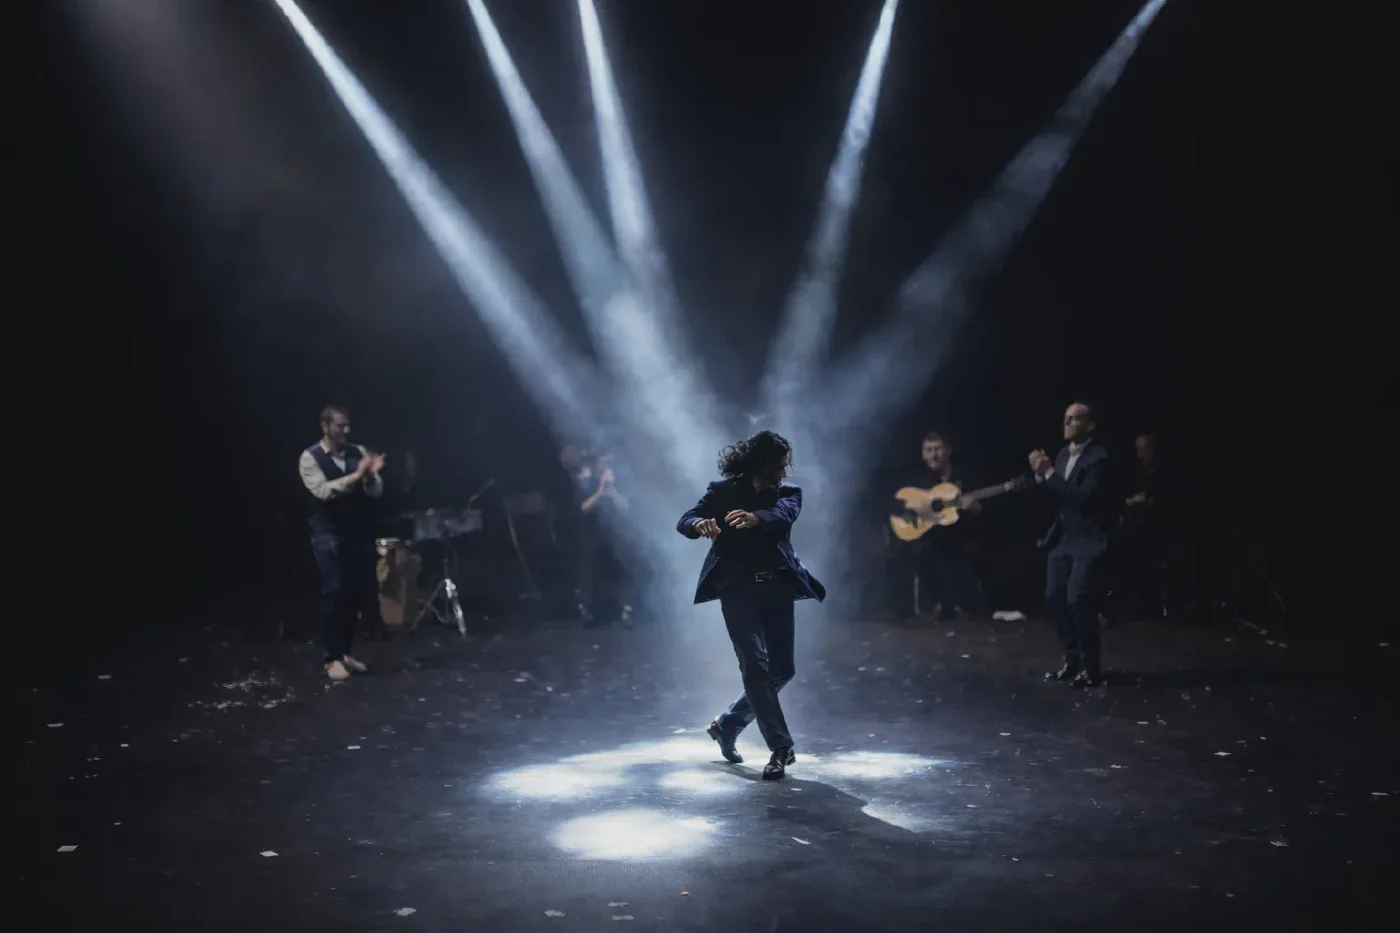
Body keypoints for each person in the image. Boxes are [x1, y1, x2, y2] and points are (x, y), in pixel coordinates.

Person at [677, 430, 825, 780]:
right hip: (737, 590)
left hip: (775, 589)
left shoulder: (787, 494)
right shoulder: (724, 491)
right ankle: (780, 747)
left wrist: (757, 518)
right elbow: (685, 519)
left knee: (781, 670)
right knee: (754, 664)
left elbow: (784, 515)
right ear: (761, 464)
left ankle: (727, 725)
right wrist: (699, 524)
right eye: (779, 465)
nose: (784, 471)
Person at [1029, 401, 1116, 687]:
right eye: (1066, 417)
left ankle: (1090, 666)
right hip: (1065, 538)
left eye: (1075, 419)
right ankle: (1072, 659)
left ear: (1090, 425)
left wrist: (1050, 474)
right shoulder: (1064, 453)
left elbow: (1081, 498)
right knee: (1054, 596)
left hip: (1089, 539)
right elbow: (1057, 496)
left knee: (1078, 599)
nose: (1068, 423)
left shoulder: (1099, 459)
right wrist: (1041, 476)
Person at [298, 405, 384, 681]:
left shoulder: (358, 453)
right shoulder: (310, 457)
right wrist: (357, 476)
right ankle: (330, 657)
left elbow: (375, 492)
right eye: (339, 426)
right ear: (325, 427)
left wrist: (370, 476)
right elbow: (322, 492)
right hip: (326, 533)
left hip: (354, 532)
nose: (346, 431)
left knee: (354, 593)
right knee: (334, 589)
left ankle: (345, 652)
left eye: (347, 425)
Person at [886, 432, 982, 619]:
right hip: (926, 540)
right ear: (923, 454)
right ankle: (911, 610)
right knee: (906, 555)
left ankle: (960, 606)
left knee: (957, 553)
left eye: (937, 449)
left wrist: (975, 509)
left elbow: (980, 514)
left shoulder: (963, 478)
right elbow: (890, 502)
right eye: (928, 450)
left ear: (948, 451)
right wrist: (910, 507)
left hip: (958, 538)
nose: (933, 455)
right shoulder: (916, 479)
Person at [576, 451, 632, 627]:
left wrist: (612, 490)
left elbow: (625, 507)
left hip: (616, 535)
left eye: (610, 464)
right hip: (593, 534)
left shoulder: (618, 482)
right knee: (593, 570)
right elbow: (584, 507)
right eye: (604, 464)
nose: (607, 468)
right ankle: (594, 611)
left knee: (619, 569)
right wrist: (600, 492)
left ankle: (622, 609)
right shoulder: (587, 482)